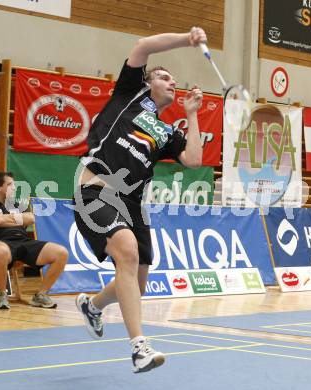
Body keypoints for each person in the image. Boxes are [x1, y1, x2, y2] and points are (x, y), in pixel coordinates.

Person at [74, 27, 206, 373]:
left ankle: (93, 306)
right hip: (96, 190)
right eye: (164, 76)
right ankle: (139, 348)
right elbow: (144, 44)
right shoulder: (130, 93)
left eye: (174, 79)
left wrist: (191, 114)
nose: (172, 82)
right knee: (128, 252)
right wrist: (186, 39)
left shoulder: (166, 131)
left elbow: (193, 160)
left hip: (133, 204)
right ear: (148, 82)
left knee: (138, 281)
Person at [0, 172, 68, 309]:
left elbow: (31, 218)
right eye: (10, 184)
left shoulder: (17, 205)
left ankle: (40, 295)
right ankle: (1, 295)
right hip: (3, 244)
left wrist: (4, 219)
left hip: (24, 242)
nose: (14, 188)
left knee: (61, 253)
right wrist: (17, 219)